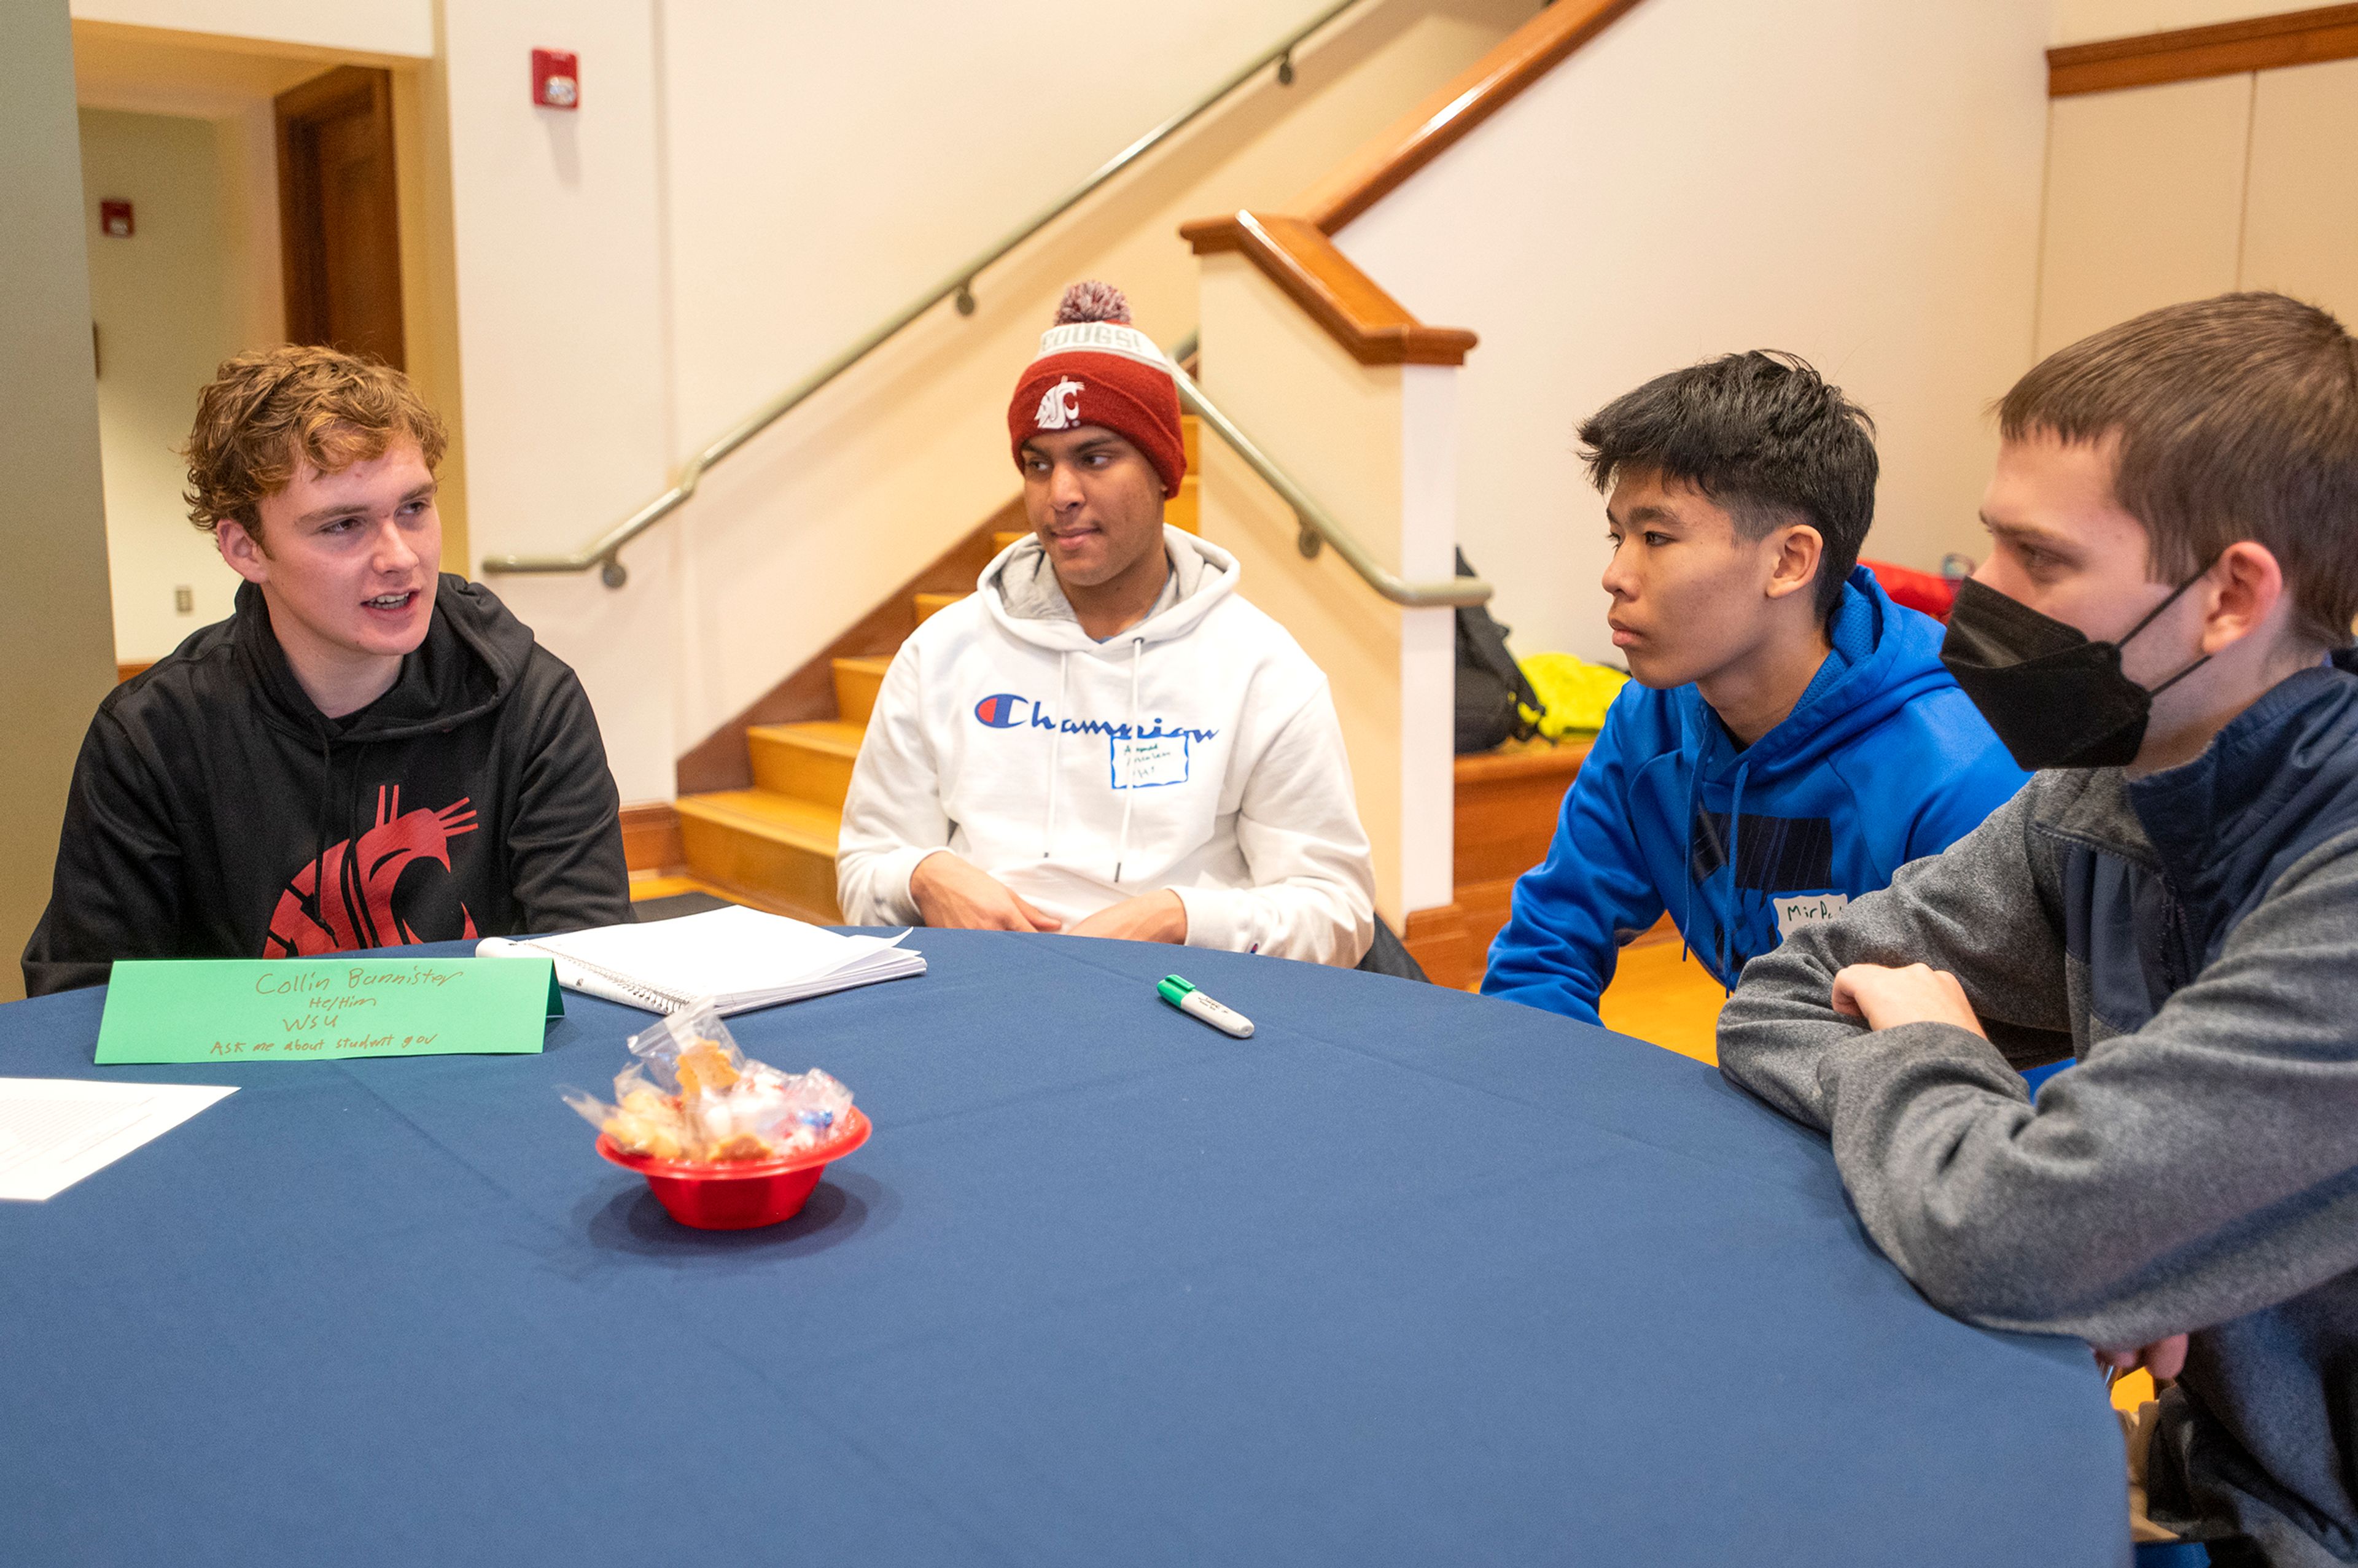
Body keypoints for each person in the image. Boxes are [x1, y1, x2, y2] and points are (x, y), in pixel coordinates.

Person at [1717, 293, 2358, 1567]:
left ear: (2232, 594)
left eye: (2042, 562)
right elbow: (1784, 991)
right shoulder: (2108, 791)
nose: (1976, 600)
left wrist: (1940, 1070)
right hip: (2228, 1462)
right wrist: (2127, 1224)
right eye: (1988, 547)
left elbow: (2004, 1234)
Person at [23, 346, 630, 996]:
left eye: (414, 509)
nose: (400, 557)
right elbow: (85, 1001)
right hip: (251, 1087)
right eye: (344, 525)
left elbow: (590, 970)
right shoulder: (152, 734)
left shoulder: (532, 699)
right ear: (245, 548)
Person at [835, 281, 1376, 965]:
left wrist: (1179, 918)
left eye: (1094, 458)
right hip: (979, 997)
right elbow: (861, 873)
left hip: (1182, 1007)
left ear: (1161, 472)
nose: (1060, 494)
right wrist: (921, 876)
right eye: (1039, 464)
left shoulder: (1263, 669)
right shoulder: (941, 653)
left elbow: (1340, 912)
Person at [1481, 352, 2026, 1025]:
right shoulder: (1651, 716)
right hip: (1770, 1079)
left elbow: (2007, 1075)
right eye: (1617, 535)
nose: (1616, 573)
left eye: (1656, 536)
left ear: (1790, 561)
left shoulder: (1958, 773)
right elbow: (1545, 951)